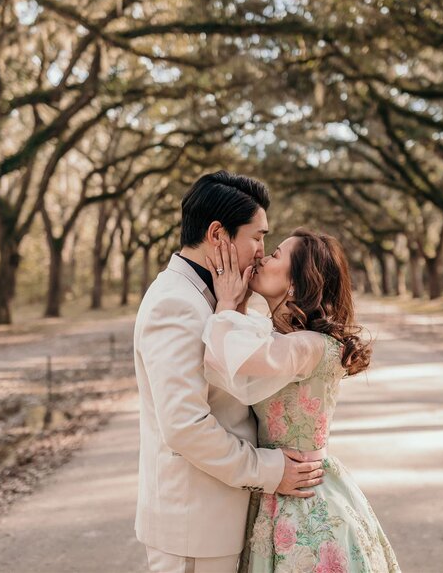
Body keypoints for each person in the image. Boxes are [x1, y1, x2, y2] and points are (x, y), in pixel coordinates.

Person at [133, 172, 326, 573]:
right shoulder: (176, 304)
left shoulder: (221, 298)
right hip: (194, 526)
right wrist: (271, 471)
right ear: (218, 234)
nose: (262, 251)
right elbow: (185, 425)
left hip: (222, 519)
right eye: (257, 237)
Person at [202, 229, 402, 572]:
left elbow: (228, 360)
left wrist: (225, 304)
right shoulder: (284, 338)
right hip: (276, 489)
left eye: (276, 255)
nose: (263, 258)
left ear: (297, 282)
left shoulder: (307, 345)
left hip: (304, 501)